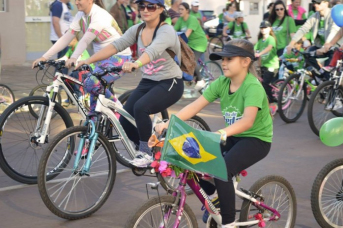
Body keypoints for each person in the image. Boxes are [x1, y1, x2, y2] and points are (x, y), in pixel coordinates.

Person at [155, 39, 273, 228]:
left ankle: (228, 222)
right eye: (222, 59)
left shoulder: (253, 87)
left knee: (222, 171)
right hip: (232, 135)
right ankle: (215, 197)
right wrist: (170, 122)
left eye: (229, 59)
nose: (223, 63)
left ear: (245, 61)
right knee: (196, 157)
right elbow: (196, 105)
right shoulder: (222, 82)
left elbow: (247, 121)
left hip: (256, 139)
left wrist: (221, 133)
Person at [76, 0, 184, 167]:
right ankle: (151, 147)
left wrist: (136, 64)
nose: (145, 10)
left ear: (161, 9)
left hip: (170, 82)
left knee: (141, 107)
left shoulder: (166, 31)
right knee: (124, 120)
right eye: (142, 6)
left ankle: (145, 153)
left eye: (151, 6)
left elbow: (152, 51)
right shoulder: (138, 29)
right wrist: (88, 61)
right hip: (148, 82)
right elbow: (116, 46)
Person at [32, 0, 132, 113]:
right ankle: (93, 127)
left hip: (119, 57)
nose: (76, 2)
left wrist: (74, 57)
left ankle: (120, 113)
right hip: (101, 59)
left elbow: (85, 40)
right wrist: (44, 57)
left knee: (91, 83)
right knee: (93, 96)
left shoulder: (99, 15)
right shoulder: (81, 15)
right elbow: (66, 38)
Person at [286, 0, 343, 70]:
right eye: (314, 3)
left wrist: (327, 45)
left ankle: (325, 77)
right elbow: (303, 28)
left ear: (326, 3)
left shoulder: (333, 14)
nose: (315, 5)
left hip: (332, 48)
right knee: (307, 55)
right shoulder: (314, 16)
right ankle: (318, 74)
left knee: (330, 73)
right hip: (319, 47)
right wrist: (291, 43)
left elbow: (334, 30)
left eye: (318, 3)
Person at [174, 2, 208, 90]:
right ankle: (191, 75)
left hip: (199, 43)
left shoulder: (192, 19)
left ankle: (200, 80)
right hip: (190, 43)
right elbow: (173, 31)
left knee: (192, 60)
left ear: (187, 11)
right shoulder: (180, 20)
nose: (180, 11)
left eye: (182, 9)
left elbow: (187, 33)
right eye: (179, 9)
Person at [254, 21, 279, 115]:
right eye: (262, 28)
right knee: (261, 83)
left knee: (265, 83)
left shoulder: (271, 39)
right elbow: (254, 49)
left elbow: (269, 47)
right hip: (264, 65)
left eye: (265, 28)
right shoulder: (260, 41)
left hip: (272, 65)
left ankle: (273, 102)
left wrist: (259, 53)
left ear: (270, 29)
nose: (263, 29)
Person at [49, 0, 73, 74]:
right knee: (62, 65)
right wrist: (62, 39)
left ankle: (59, 83)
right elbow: (55, 22)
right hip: (60, 39)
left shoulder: (64, 5)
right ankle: (59, 84)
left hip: (66, 39)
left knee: (63, 64)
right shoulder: (58, 5)